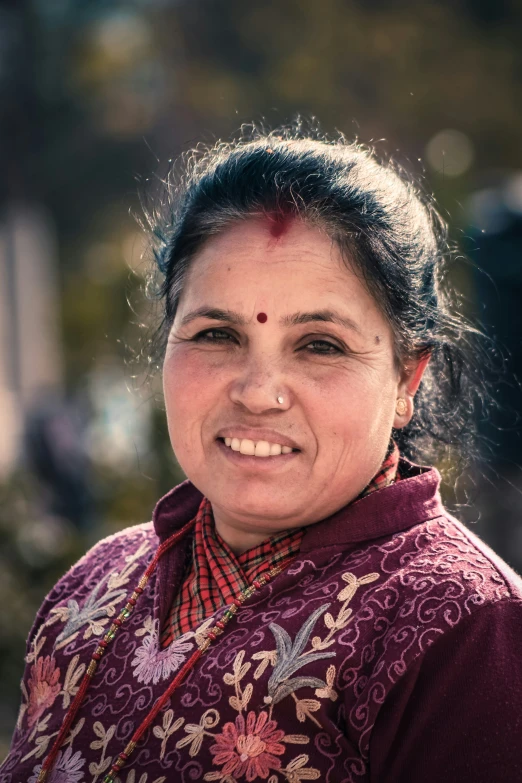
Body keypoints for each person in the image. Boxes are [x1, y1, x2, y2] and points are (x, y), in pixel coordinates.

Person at [2, 127, 522, 783]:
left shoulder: (470, 629)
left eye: (320, 345)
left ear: (406, 379)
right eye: (216, 334)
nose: (257, 392)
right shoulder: (88, 592)